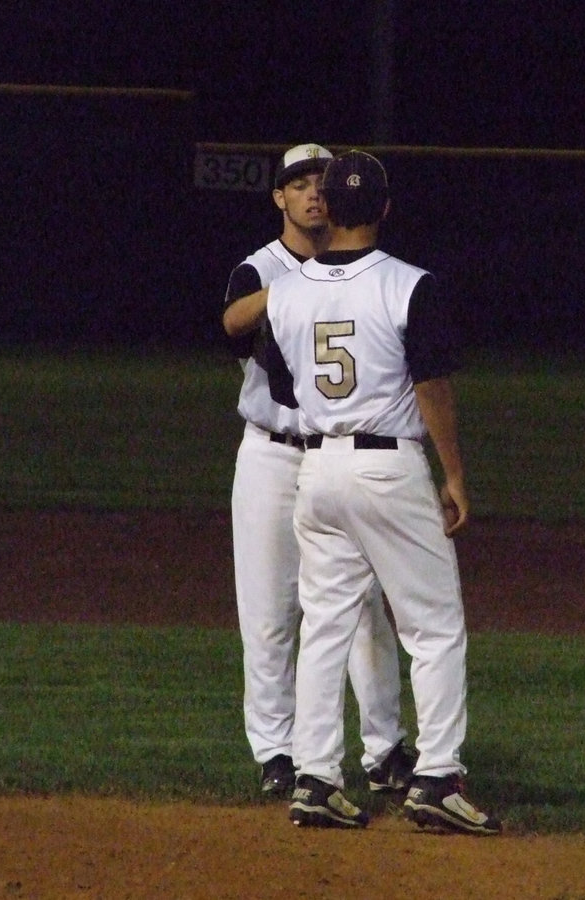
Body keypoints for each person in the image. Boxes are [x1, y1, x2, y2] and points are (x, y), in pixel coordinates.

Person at [226, 149, 500, 835]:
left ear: (332, 209)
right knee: (433, 626)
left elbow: (283, 383)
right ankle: (437, 777)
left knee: (325, 625)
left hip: (317, 472)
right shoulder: (411, 284)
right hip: (388, 469)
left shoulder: (285, 290)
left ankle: (316, 777)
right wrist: (455, 475)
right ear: (381, 208)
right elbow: (431, 386)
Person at [221, 143, 414, 802]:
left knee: (365, 610)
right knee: (271, 612)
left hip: (338, 456)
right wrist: (292, 287)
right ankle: (277, 750)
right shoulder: (262, 269)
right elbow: (230, 321)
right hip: (274, 456)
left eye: (320, 182)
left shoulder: (358, 268)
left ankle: (385, 748)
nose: (311, 193)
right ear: (278, 197)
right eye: (297, 183)